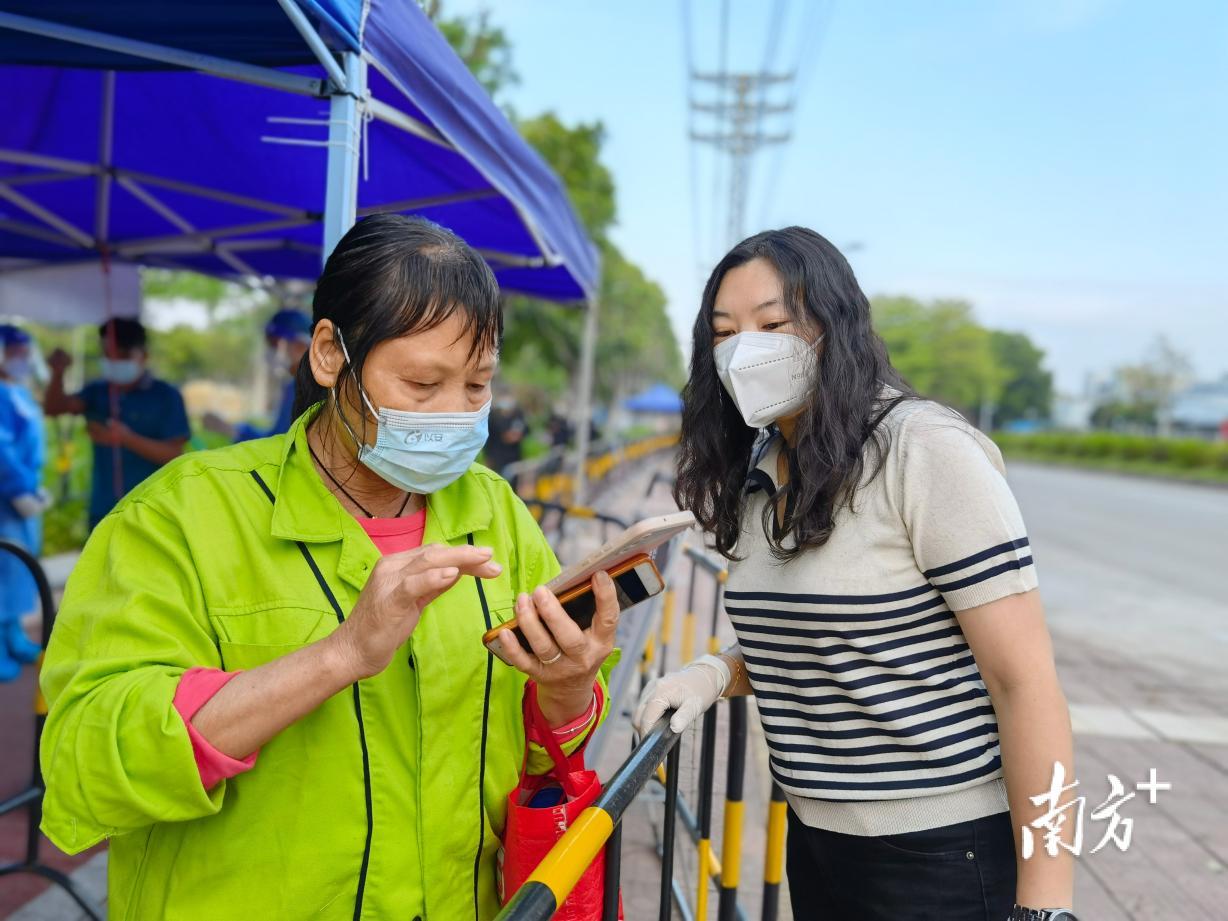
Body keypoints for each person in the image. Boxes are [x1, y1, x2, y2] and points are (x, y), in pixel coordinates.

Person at [40, 214, 621, 921]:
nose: (454, 414)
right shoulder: (180, 516)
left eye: (476, 386)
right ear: (328, 354)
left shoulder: (497, 511)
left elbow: (537, 756)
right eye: (422, 382)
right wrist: (339, 654)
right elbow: (88, 757)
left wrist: (567, 689)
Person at [636, 227, 1077, 921]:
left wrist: (1048, 903)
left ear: (832, 326)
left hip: (940, 850)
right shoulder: (763, 470)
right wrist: (714, 673)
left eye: (773, 323)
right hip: (816, 839)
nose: (743, 348)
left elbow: (1024, 680)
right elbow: (829, 638)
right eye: (724, 332)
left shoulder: (924, 450)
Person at [44, 318, 190, 529]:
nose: (114, 360)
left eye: (122, 355)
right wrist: (58, 374)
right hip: (103, 510)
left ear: (144, 356)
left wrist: (126, 439)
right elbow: (54, 408)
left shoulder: (166, 396)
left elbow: (175, 454)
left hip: (153, 510)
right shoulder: (97, 391)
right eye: (108, 354)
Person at [0, 324, 47, 681]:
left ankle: (13, 635)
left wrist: (34, 488)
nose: (22, 360)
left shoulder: (19, 393)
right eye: (14, 352)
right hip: (6, 498)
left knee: (17, 575)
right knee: (4, 571)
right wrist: (17, 489)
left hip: (23, 497)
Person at [203, 308, 312, 442]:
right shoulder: (296, 385)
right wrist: (234, 429)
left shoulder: (307, 387)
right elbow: (278, 435)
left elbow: (280, 444)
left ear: (300, 345)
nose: (270, 351)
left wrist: (233, 431)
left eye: (274, 344)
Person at [484, 394, 528, 477]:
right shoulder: (493, 417)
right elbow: (488, 438)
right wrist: (488, 457)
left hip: (514, 455)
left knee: (514, 479)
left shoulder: (518, 415)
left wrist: (517, 436)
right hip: (498, 455)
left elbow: (526, 430)